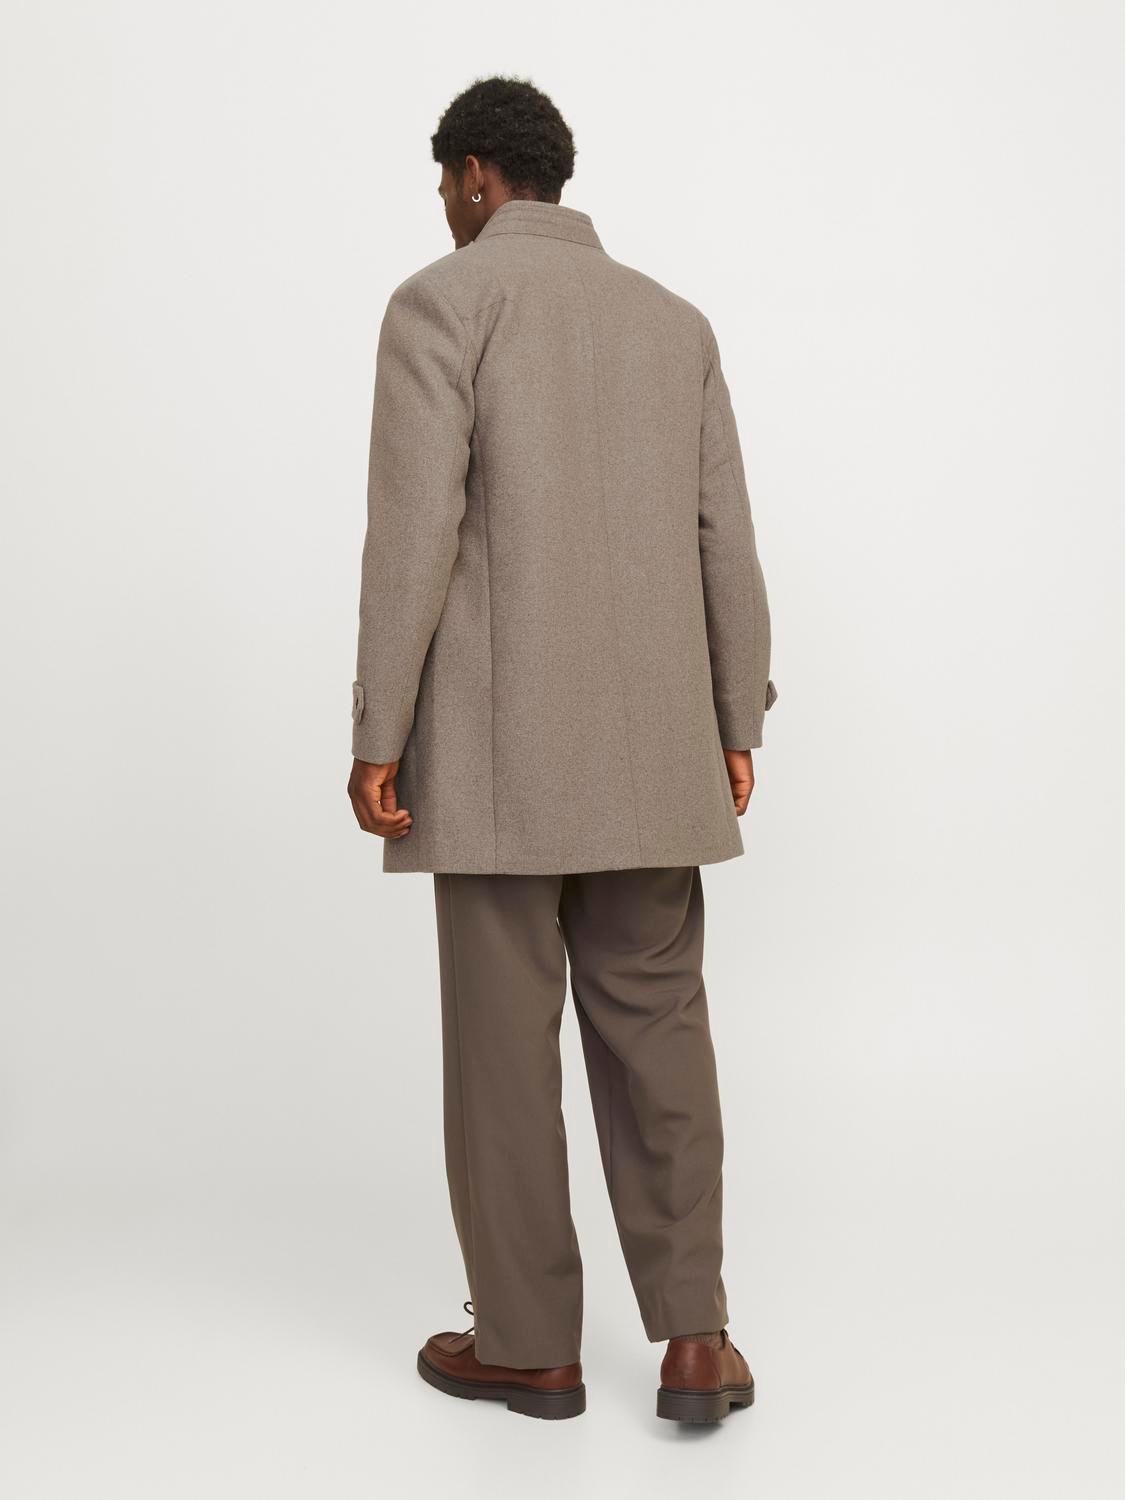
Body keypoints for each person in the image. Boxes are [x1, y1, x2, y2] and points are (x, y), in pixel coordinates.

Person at [347, 75, 777, 1424]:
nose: (444, 207)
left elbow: (412, 535)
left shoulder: (441, 304)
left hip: (493, 763)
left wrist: (377, 733)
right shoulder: (673, 324)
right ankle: (696, 1337)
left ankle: (530, 1345)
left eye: (445, 185)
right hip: (657, 754)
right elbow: (725, 541)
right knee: (661, 1031)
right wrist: (734, 719)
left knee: (501, 1053)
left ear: (478, 175)